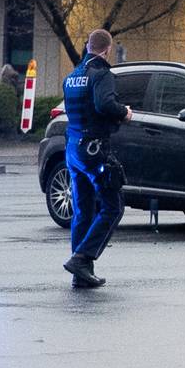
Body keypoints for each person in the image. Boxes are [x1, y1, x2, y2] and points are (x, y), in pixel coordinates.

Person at [61, 29, 129, 289]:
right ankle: (82, 258)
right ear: (107, 49)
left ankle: (82, 274)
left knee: (83, 210)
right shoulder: (101, 74)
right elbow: (105, 105)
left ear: (88, 47)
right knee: (113, 206)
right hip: (94, 149)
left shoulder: (71, 77)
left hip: (73, 149)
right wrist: (125, 113)